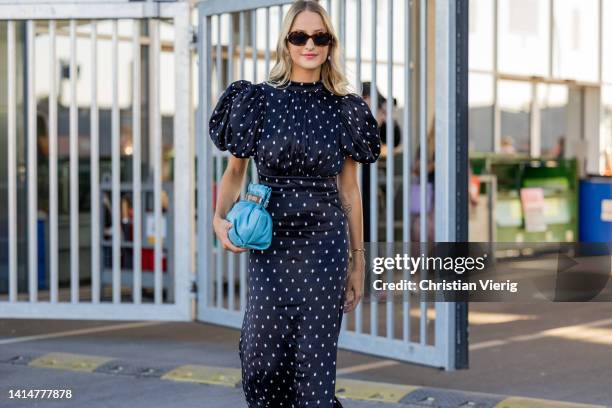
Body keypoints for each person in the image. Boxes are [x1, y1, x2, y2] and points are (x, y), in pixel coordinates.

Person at [208, 2, 381, 406]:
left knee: (312, 367)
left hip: (324, 248)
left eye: (320, 37)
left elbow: (350, 191)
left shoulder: (346, 108)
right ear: (285, 43)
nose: (309, 45)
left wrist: (358, 263)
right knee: (261, 360)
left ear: (330, 44)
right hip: (271, 246)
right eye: (299, 36)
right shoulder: (258, 101)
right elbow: (236, 173)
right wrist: (218, 219)